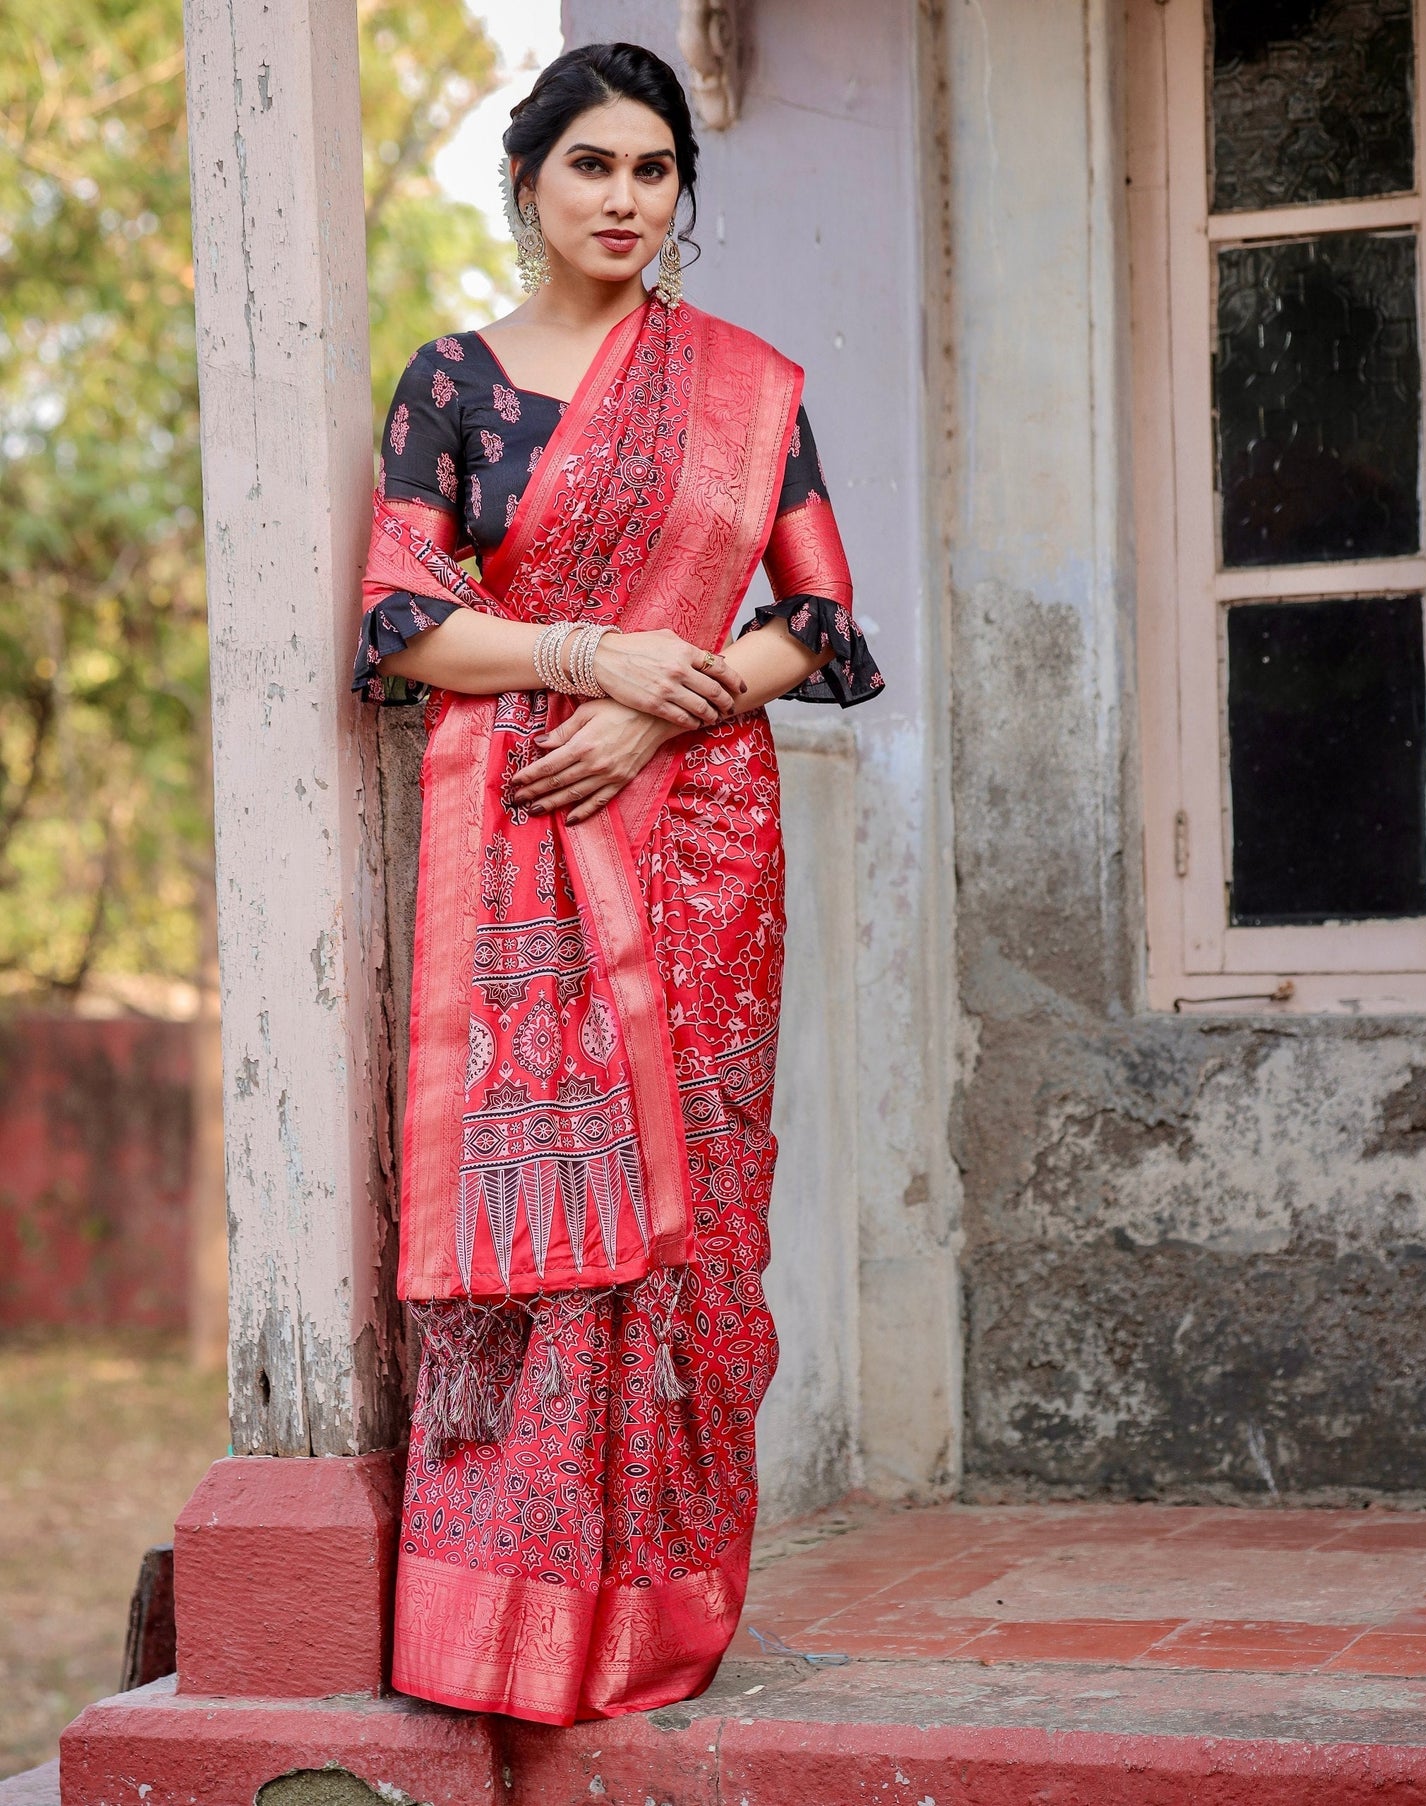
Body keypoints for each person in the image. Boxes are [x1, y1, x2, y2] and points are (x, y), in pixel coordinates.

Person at [355, 40, 883, 1726]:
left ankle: (655, 1609)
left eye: (653, 170)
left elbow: (816, 623)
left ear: (680, 195)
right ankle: (503, 1621)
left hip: (699, 836)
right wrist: (595, 656)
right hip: (515, 833)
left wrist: (658, 717)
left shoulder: (740, 386)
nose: (623, 198)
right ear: (529, 182)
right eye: (591, 165)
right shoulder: (453, 385)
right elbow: (399, 620)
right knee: (540, 1222)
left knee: (688, 1210)